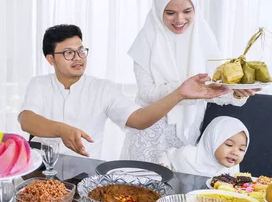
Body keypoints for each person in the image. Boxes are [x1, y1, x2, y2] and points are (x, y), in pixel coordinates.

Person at [18, 24, 229, 159]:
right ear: (50, 59)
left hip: (84, 174)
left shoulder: (103, 88)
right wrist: (61, 130)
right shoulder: (39, 84)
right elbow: (26, 120)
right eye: (68, 53)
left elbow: (139, 119)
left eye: (81, 50)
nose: (79, 57)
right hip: (41, 170)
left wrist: (179, 94)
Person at [121, 0, 258, 163]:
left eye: (187, 11)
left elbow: (211, 89)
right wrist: (182, 91)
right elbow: (147, 93)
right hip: (150, 135)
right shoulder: (146, 40)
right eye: (170, 13)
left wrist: (236, 93)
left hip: (186, 138)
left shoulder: (204, 39)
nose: (179, 19)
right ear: (158, 9)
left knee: (180, 189)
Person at [157, 116, 250, 177]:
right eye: (229, 144)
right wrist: (164, 166)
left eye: (241, 149)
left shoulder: (233, 167)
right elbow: (166, 155)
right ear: (212, 141)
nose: (235, 152)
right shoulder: (187, 155)